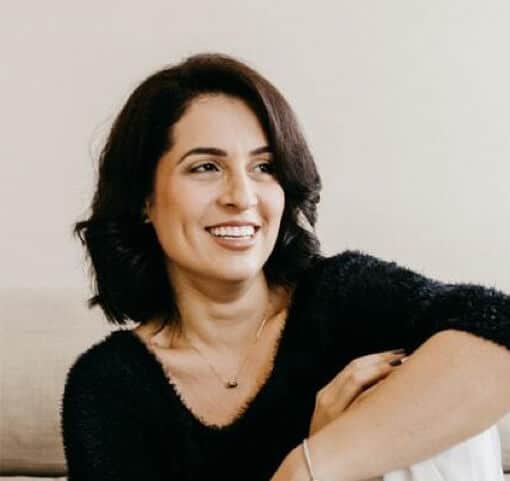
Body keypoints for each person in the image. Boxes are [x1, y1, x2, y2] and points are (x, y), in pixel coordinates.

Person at [61, 52, 510, 481]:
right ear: (144, 198)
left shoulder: (342, 296)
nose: (242, 196)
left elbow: (497, 330)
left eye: (264, 166)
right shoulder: (111, 386)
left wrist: (320, 460)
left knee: (441, 403)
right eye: (206, 167)